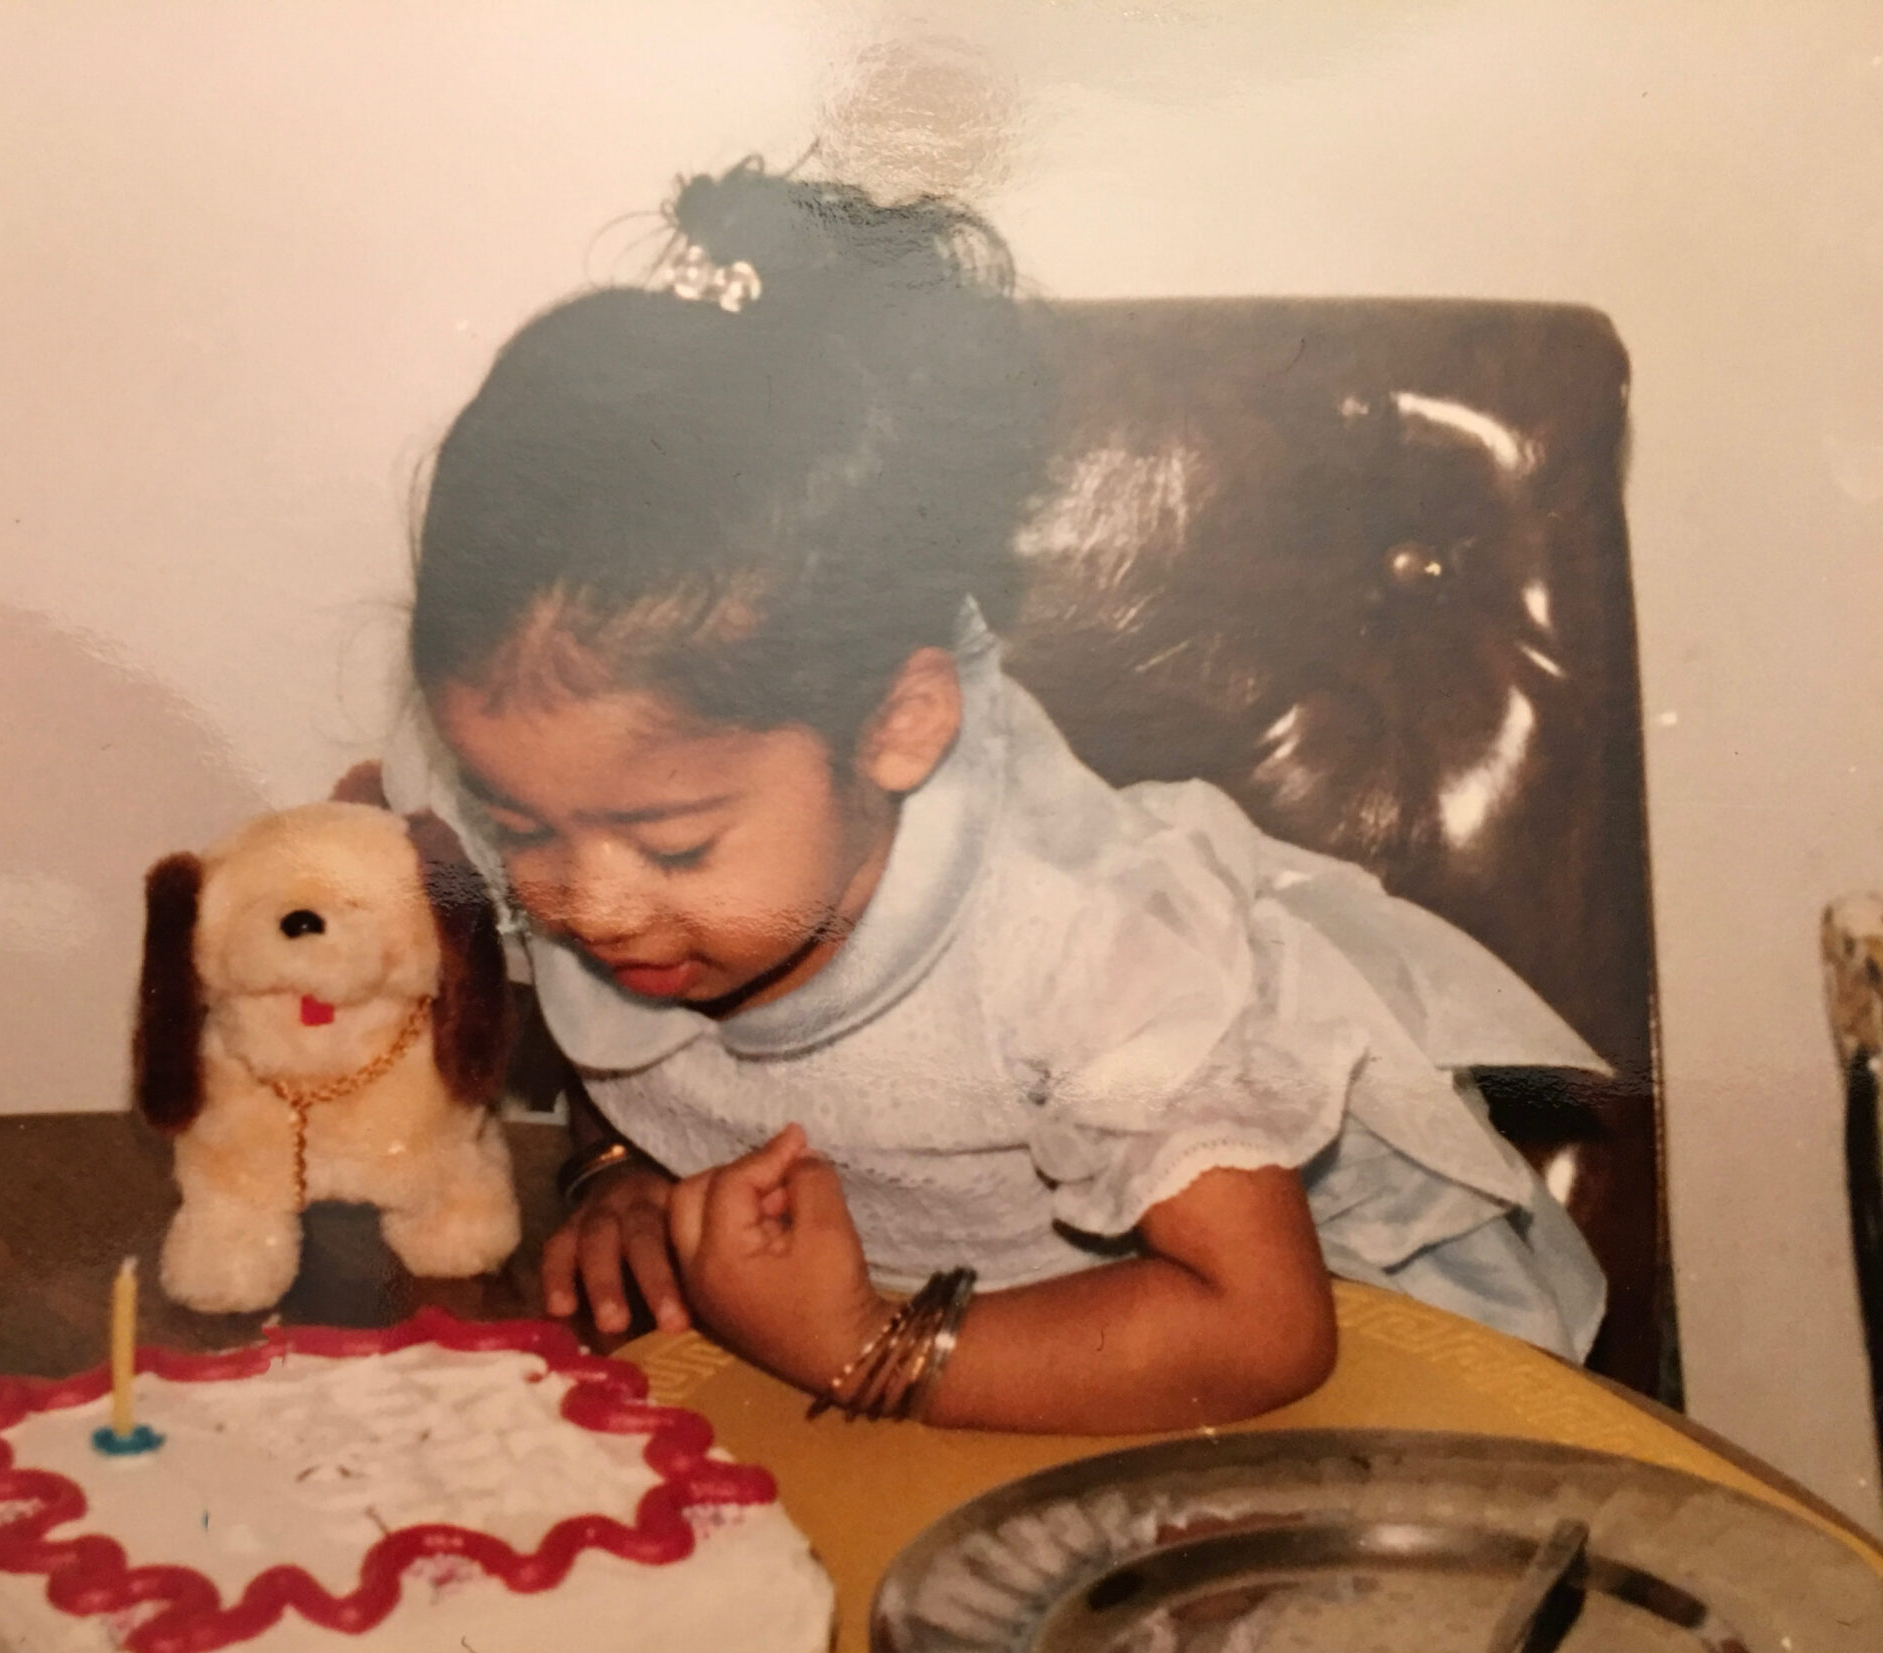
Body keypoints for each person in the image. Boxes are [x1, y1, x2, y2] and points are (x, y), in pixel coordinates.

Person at [382, 161, 1608, 1433]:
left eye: (675, 846)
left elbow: (1263, 1329)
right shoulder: (573, 787)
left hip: (1257, 1362)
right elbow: (604, 1007)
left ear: (900, 727)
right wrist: (624, 1166)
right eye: (521, 828)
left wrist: (860, 1347)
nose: (583, 904)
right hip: (916, 1365)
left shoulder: (1086, 939)